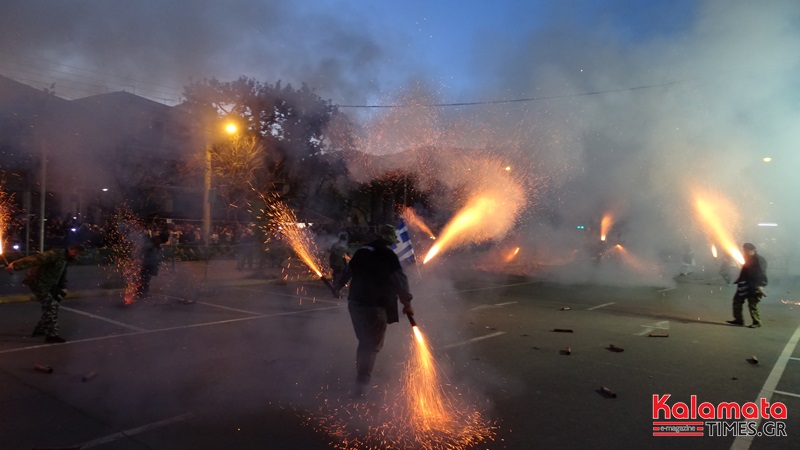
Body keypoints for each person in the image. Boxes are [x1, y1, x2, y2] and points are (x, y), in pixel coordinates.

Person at [335, 224, 413, 396]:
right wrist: (406, 302)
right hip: (375, 306)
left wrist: (338, 286)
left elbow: (348, 271)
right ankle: (361, 384)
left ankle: (361, 376)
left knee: (364, 340)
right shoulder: (387, 255)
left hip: (355, 303)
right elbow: (399, 280)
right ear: (389, 241)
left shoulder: (362, 251)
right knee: (370, 345)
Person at [5, 245, 83, 343]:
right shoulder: (55, 254)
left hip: (48, 284)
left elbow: (62, 272)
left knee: (53, 304)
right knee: (51, 306)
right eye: (77, 255)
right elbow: (36, 259)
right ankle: (51, 336)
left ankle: (40, 329)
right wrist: (15, 265)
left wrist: (63, 286)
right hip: (38, 282)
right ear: (72, 250)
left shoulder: (65, 259)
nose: (77, 258)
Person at [726, 243, 767, 328]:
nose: (744, 252)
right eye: (744, 250)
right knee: (737, 301)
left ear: (752, 250)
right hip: (744, 284)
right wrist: (740, 279)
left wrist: (760, 285)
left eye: (746, 250)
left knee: (752, 305)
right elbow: (745, 270)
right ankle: (738, 320)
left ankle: (756, 322)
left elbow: (761, 273)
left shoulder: (759, 260)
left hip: (754, 285)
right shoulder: (747, 258)